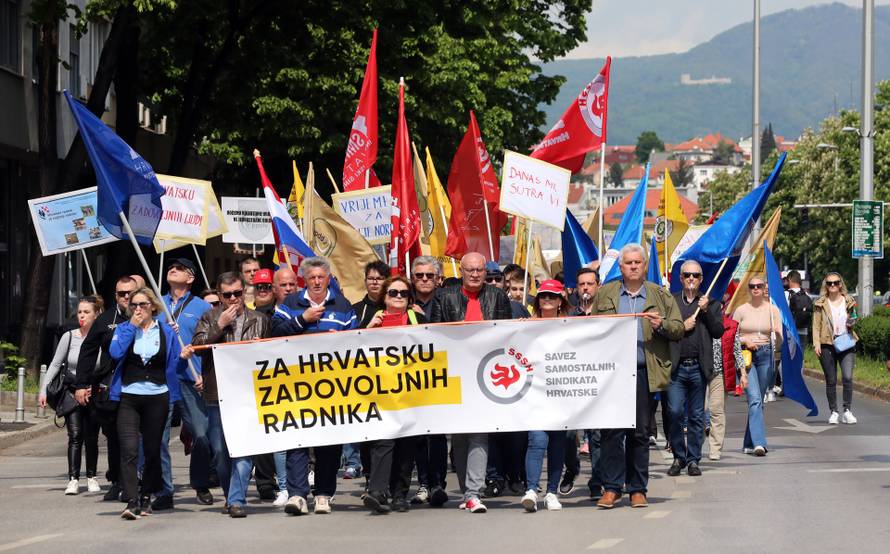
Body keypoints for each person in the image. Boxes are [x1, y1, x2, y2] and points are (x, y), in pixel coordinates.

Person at [592, 244, 683, 509]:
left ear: (644, 266)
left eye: (637, 263)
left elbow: (677, 328)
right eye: (628, 263)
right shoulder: (606, 293)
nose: (633, 266)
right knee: (610, 432)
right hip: (613, 373)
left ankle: (637, 489)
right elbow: (591, 329)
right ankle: (611, 488)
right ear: (620, 267)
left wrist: (662, 325)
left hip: (644, 372)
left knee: (640, 433)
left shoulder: (660, 294)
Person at [271, 256, 357, 515]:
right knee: (297, 438)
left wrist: (339, 341)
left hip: (332, 387)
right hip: (297, 385)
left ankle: (323, 494)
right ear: (304, 280)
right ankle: (298, 495)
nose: (317, 282)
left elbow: (356, 341)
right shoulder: (290, 303)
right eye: (312, 278)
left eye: (321, 277)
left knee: (329, 442)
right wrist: (303, 319)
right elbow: (274, 335)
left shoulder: (343, 306)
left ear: (328, 278)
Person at [430, 252, 513, 513]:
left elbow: (508, 333)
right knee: (460, 437)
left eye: (480, 270)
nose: (476, 274)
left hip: (485, 375)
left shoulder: (498, 297)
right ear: (462, 272)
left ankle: (473, 492)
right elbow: (434, 334)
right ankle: (468, 491)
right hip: (455, 375)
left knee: (479, 434)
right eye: (470, 270)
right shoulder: (445, 297)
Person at [189, 271, 271, 518]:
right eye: (228, 295)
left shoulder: (259, 319)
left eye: (238, 293)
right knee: (222, 453)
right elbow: (199, 346)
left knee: (244, 449)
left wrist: (261, 348)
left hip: (248, 394)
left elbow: (273, 354)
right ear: (219, 295)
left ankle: (237, 499)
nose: (234, 298)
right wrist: (220, 324)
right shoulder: (209, 316)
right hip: (218, 394)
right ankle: (230, 494)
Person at [108, 288, 185, 520]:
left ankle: (146, 495)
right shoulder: (123, 329)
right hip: (129, 396)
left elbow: (174, 360)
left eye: (142, 304)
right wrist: (131, 326)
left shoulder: (166, 331)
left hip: (158, 396)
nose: (138, 309)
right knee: (129, 450)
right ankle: (132, 500)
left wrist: (186, 359)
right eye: (133, 305)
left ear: (153, 306)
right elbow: (115, 352)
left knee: (152, 450)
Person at [361, 276, 427, 514]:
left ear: (409, 298)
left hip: (410, 392)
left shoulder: (417, 319)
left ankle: (400, 494)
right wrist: (368, 329)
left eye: (403, 293)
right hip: (380, 393)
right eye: (393, 293)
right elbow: (355, 350)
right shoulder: (374, 320)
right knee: (382, 441)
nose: (398, 297)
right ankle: (378, 491)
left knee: (406, 444)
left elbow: (432, 347)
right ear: (384, 297)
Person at [73, 275, 139, 502]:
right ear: (116, 296)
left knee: (143, 436)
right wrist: (81, 384)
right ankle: (117, 481)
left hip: (142, 383)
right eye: (122, 294)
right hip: (113, 385)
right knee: (115, 435)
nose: (127, 297)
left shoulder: (150, 315)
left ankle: (144, 480)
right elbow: (88, 351)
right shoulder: (105, 320)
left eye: (131, 292)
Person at [158, 258, 212, 510]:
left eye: (179, 269)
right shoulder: (158, 306)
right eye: (171, 268)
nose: (173, 270)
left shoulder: (202, 307)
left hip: (192, 378)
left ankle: (200, 482)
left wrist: (207, 375)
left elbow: (210, 343)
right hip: (164, 380)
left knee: (201, 435)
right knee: (159, 438)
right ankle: (164, 490)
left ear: (190, 278)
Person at [39, 295, 105, 495]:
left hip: (93, 392)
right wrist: (43, 389)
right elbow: (56, 363)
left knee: (92, 437)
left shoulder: (101, 338)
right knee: (75, 436)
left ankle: (92, 477)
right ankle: (73, 479)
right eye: (80, 312)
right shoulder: (69, 337)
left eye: (87, 312)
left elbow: (106, 365)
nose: (82, 316)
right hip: (71, 391)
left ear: (97, 315)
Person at [666, 261, 723, 477]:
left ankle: (693, 459)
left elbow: (718, 331)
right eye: (687, 275)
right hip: (677, 367)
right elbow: (664, 329)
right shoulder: (671, 302)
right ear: (680, 278)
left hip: (698, 367)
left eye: (696, 275)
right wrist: (682, 326)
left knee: (697, 416)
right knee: (674, 412)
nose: (691, 278)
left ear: (701, 279)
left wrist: (706, 311)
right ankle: (678, 456)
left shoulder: (711, 303)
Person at [521, 280, 570, 512]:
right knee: (537, 440)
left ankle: (551, 492)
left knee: (558, 444)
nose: (547, 300)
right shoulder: (526, 325)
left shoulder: (571, 326)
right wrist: (517, 330)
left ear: (560, 300)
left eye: (552, 296)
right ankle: (531, 489)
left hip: (562, 395)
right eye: (543, 296)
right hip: (535, 394)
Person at [562, 267, 604, 499]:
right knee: (568, 435)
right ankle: (572, 468)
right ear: (576, 289)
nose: (586, 288)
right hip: (572, 385)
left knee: (596, 435)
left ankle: (597, 481)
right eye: (582, 284)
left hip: (598, 383)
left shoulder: (608, 315)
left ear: (597, 286)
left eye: (590, 283)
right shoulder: (569, 317)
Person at [408, 256, 445, 505]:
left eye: (429, 276)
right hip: (412, 377)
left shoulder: (447, 301)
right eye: (419, 275)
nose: (424, 279)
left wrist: (424, 321)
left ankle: (438, 484)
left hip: (442, 375)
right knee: (418, 434)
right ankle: (423, 483)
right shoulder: (403, 300)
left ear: (438, 279)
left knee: (439, 434)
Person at [733, 276, 783, 456]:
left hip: (766, 355)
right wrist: (744, 339)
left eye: (759, 286)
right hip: (746, 356)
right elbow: (730, 337)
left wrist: (777, 335)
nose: (755, 289)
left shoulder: (772, 310)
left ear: (764, 289)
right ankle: (760, 443)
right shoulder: (741, 310)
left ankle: (749, 442)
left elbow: (779, 341)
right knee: (754, 399)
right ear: (748, 289)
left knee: (758, 402)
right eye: (752, 286)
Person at [812, 273, 859, 425]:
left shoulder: (849, 300)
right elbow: (816, 325)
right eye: (829, 283)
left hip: (846, 342)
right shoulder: (820, 303)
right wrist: (816, 343)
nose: (832, 285)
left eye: (835, 283)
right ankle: (834, 411)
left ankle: (847, 410)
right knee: (831, 380)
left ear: (840, 284)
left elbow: (855, 317)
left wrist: (852, 322)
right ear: (825, 285)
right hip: (827, 344)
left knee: (847, 377)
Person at [353, 260, 391, 329]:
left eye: (379, 278)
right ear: (365, 281)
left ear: (388, 282)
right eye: (370, 278)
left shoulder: (394, 306)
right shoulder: (354, 310)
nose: (374, 282)